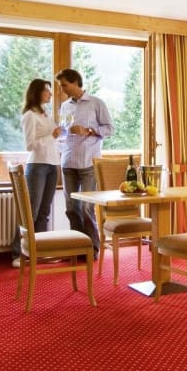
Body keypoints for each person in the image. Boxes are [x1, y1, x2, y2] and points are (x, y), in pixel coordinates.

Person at [54, 67, 112, 255]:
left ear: (75, 82)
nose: (62, 89)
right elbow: (64, 131)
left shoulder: (96, 103)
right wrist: (60, 132)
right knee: (72, 208)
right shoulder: (65, 106)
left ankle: (92, 249)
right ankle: (77, 249)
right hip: (68, 162)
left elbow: (110, 129)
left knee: (87, 208)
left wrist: (89, 131)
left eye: (64, 85)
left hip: (88, 162)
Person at [11, 78, 60, 267]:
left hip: (52, 165)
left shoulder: (46, 114)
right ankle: (18, 254)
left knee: (44, 212)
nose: (50, 93)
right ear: (37, 92)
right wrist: (51, 136)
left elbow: (51, 140)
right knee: (30, 212)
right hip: (38, 166)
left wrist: (58, 135)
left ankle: (39, 252)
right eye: (47, 90)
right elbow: (30, 145)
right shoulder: (29, 116)